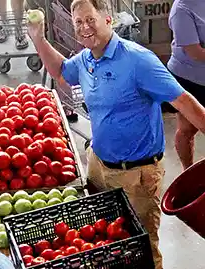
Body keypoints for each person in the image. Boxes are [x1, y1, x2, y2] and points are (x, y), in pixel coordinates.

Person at [27, 0, 205, 268]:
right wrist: (38, 38)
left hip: (137, 176)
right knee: (108, 242)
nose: (84, 27)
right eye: (78, 22)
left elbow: (184, 102)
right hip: (99, 165)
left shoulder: (138, 60)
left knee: (142, 247)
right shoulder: (87, 58)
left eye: (90, 20)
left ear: (107, 19)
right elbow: (62, 73)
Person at [167, 0, 205, 170]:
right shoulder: (181, 10)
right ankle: (187, 172)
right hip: (189, 79)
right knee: (187, 129)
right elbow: (195, 52)